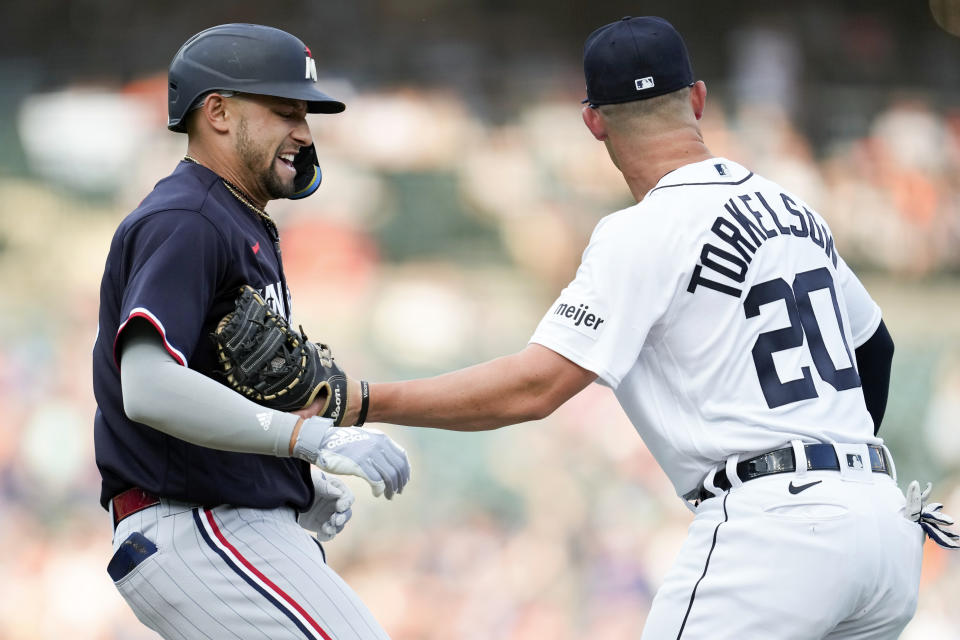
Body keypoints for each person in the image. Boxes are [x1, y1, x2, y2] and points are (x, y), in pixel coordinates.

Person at [335, 16, 944, 639]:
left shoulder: (642, 229)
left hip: (780, 529)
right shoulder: (795, 208)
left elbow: (533, 389)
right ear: (699, 99)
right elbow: (878, 347)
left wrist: (360, 400)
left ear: (593, 121)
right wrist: (835, 464)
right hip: (881, 520)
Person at [92, 24, 409, 640]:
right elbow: (149, 387)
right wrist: (311, 438)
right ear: (217, 111)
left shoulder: (235, 217)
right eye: (285, 111)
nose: (304, 133)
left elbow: (211, 388)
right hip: (198, 522)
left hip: (220, 518)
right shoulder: (190, 217)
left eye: (306, 114)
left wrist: (286, 479)